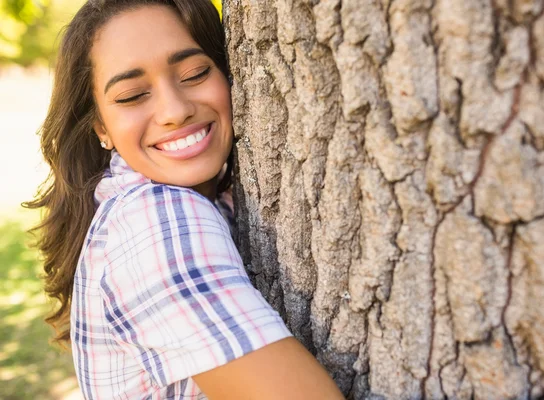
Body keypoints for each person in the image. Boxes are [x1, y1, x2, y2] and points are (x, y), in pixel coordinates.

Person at [25, 0, 345, 398]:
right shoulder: (155, 219)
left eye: (194, 73)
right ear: (101, 128)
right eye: (131, 96)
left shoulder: (191, 201)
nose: (174, 110)